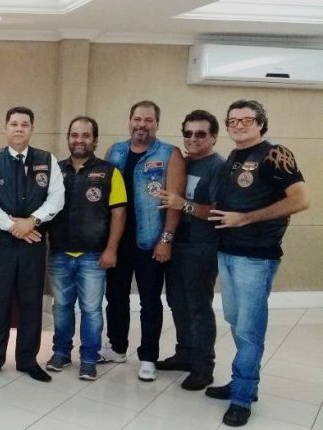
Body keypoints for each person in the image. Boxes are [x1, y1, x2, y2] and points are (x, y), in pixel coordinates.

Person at [205, 100, 308, 427]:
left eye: (246, 120)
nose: (238, 125)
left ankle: (242, 397)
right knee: (236, 321)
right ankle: (244, 382)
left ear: (261, 123)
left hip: (256, 256)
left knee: (249, 329)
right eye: (232, 120)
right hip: (228, 252)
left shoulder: (275, 154)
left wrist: (245, 218)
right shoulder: (234, 158)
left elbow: (300, 200)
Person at [0, 106, 64, 383]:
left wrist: (33, 221)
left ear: (31, 129)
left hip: (33, 243)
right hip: (0, 244)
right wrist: (13, 226)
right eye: (13, 124)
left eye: (24, 124)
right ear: (5, 128)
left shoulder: (47, 160)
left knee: (30, 302)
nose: (18, 129)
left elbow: (57, 197)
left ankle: (27, 360)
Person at [102, 100, 186, 382]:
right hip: (117, 239)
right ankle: (117, 347)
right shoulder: (115, 151)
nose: (142, 125)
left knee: (150, 301)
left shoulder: (169, 154)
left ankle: (148, 356)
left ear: (157, 124)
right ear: (130, 120)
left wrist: (166, 239)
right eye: (137, 119)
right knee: (115, 297)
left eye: (149, 120)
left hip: (151, 241)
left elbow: (174, 202)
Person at [45, 116, 126, 381]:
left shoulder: (110, 172)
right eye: (74, 135)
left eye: (85, 135)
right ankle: (61, 353)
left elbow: (119, 214)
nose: (79, 140)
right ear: (68, 138)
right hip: (60, 252)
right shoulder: (55, 170)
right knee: (61, 307)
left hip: (94, 255)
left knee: (91, 310)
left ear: (95, 140)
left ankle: (89, 358)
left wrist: (111, 249)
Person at [155, 110, 225, 391]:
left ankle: (203, 367)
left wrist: (182, 204)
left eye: (200, 134)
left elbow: (219, 213)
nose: (193, 138)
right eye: (188, 133)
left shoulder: (218, 167)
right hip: (177, 243)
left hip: (201, 247)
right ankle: (184, 354)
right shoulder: (182, 162)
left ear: (213, 137)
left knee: (198, 307)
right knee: (177, 301)